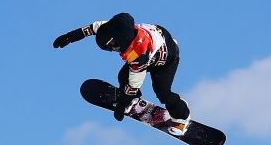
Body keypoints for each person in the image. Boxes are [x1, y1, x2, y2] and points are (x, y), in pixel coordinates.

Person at [52, 13, 191, 136]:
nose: (113, 50)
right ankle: (133, 99)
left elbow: (135, 83)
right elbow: (92, 28)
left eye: (113, 47)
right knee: (122, 76)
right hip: (156, 44)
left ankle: (182, 118)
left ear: (120, 41)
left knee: (162, 92)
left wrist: (122, 103)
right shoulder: (115, 27)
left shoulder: (137, 54)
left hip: (166, 60)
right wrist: (70, 37)